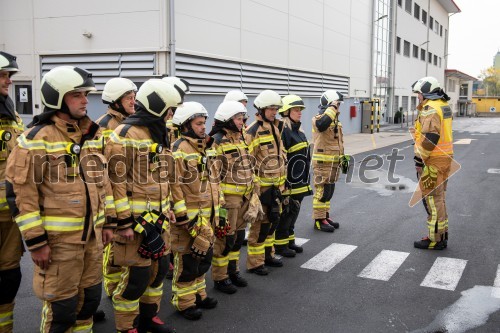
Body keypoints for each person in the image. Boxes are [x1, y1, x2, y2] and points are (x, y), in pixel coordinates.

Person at [6, 65, 115, 332]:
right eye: (76, 94)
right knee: (62, 312)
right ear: (57, 97)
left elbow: (104, 183)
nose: (85, 100)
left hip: (92, 240)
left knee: (88, 302)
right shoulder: (35, 139)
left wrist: (109, 222)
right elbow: (21, 195)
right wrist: (36, 241)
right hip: (58, 246)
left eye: (85, 94)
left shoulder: (91, 136)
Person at [105, 79, 183, 333]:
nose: (170, 115)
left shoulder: (159, 132)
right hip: (134, 222)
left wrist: (168, 206)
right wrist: (123, 221)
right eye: (168, 110)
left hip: (157, 218)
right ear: (155, 107)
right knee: (137, 277)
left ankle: (149, 318)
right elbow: (113, 183)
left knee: (159, 270)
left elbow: (162, 176)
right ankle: (127, 325)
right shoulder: (124, 135)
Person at [170, 101, 219, 320]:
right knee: (187, 263)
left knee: (203, 258)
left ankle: (199, 294)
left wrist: (219, 212)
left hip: (207, 217)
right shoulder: (178, 149)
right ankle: (184, 303)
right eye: (199, 124)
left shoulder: (205, 148)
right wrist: (184, 220)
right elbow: (174, 186)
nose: (203, 127)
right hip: (189, 221)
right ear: (185, 124)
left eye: (204, 123)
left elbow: (214, 182)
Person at [97, 77, 137, 300]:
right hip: (110, 195)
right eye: (129, 98)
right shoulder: (104, 126)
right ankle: (112, 291)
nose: (133, 102)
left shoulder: (132, 124)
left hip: (127, 194)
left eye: (134, 97)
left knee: (125, 249)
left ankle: (120, 286)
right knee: (112, 250)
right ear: (115, 101)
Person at [209, 101, 253, 294]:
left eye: (242, 117)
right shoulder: (216, 141)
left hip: (244, 197)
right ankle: (220, 277)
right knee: (224, 239)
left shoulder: (240, 139)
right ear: (227, 119)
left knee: (238, 237)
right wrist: (218, 203)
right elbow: (213, 176)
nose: (242, 121)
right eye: (237, 118)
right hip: (228, 201)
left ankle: (233, 271)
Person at [244, 90, 287, 274]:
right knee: (258, 228)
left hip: (276, 187)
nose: (274, 112)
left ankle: (268, 255)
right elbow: (247, 164)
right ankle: (255, 263)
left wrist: (282, 183)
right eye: (271, 108)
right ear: (261, 109)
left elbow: (280, 157)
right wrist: (255, 190)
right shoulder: (252, 132)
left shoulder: (275, 128)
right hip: (262, 190)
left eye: (276, 108)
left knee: (272, 223)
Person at [411, 76, 453, 250]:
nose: (418, 97)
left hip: (432, 159)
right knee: (439, 199)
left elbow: (431, 137)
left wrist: (419, 158)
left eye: (419, 94)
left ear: (426, 92)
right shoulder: (443, 105)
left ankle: (435, 239)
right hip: (445, 158)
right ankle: (441, 235)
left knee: (432, 200)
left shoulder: (430, 108)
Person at [0, 51, 24, 333]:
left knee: (9, 279)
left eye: (8, 75)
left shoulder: (13, 114)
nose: (8, 81)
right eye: (3, 75)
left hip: (10, 214)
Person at [275, 95, 312, 256]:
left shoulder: (299, 131)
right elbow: (281, 159)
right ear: (286, 111)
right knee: (286, 214)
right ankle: (280, 246)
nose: (299, 112)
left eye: (300, 110)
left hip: (300, 181)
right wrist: (285, 182)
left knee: (294, 213)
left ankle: (289, 241)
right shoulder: (284, 131)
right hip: (290, 182)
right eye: (296, 110)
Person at [311, 90, 344, 232]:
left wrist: (342, 158)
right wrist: (332, 108)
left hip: (333, 163)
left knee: (329, 191)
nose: (339, 107)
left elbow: (338, 142)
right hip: (322, 164)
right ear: (330, 104)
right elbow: (322, 125)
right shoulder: (319, 118)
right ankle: (319, 220)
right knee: (322, 192)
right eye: (337, 104)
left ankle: (325, 215)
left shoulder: (335, 120)